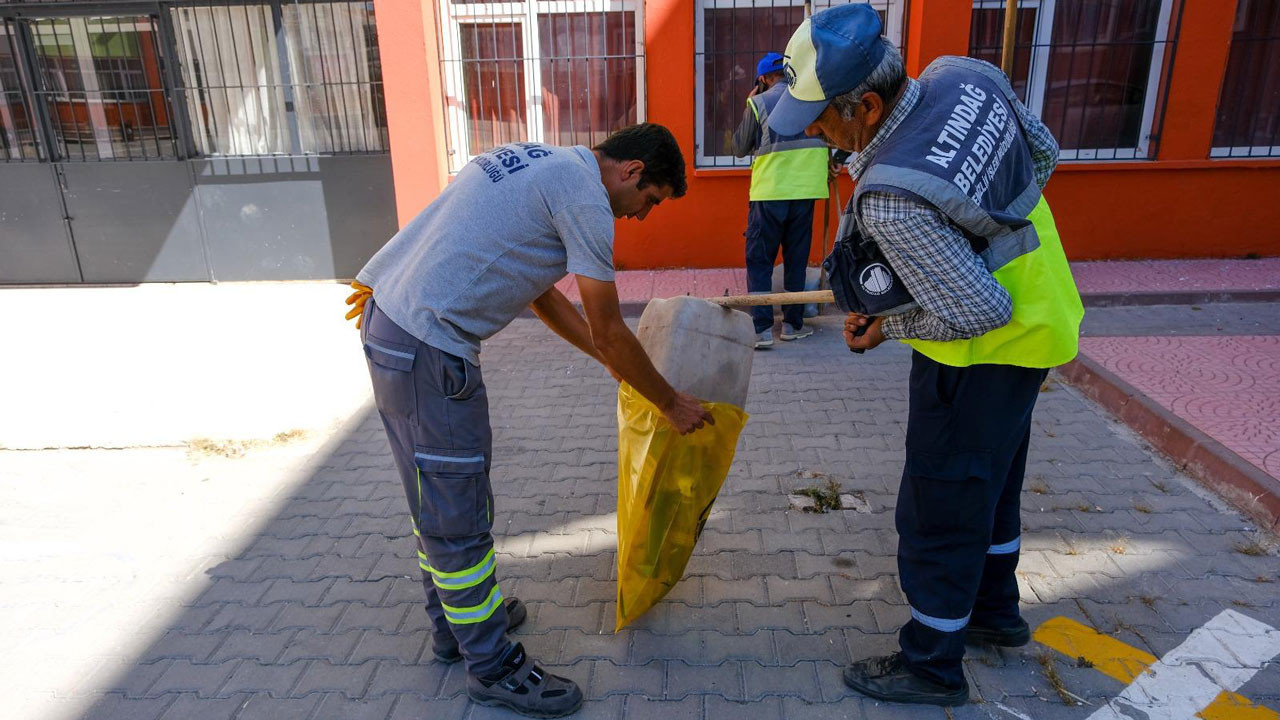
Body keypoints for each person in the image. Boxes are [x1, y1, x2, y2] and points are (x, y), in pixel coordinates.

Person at [769, 4, 1083, 707]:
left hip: (983, 350)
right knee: (993, 484)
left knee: (940, 504)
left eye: (821, 121)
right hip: (1046, 314)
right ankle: (996, 616)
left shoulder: (892, 198)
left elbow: (976, 309)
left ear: (867, 106)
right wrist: (973, 233)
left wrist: (890, 325)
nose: (817, 137)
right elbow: (1043, 154)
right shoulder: (963, 75)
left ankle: (933, 662)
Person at [345, 123, 714, 718]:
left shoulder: (542, 160)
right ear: (634, 172)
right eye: (649, 203)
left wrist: (610, 364)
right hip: (431, 349)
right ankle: (491, 666)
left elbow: (541, 295)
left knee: (436, 501)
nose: (641, 217)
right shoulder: (586, 198)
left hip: (393, 327)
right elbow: (610, 326)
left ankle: (455, 629)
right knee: (459, 512)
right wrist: (668, 402)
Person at [731, 51, 831, 349]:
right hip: (806, 191)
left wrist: (748, 105)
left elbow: (738, 147)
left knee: (760, 261)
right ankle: (792, 325)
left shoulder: (759, 102)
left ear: (762, 79)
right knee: (796, 260)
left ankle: (761, 330)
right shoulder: (813, 100)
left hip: (770, 193)